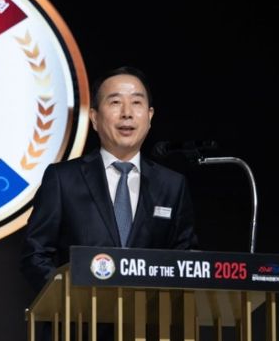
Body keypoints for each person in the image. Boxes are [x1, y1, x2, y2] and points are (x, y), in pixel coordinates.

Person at [20, 66, 198, 293]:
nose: (127, 113)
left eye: (136, 102)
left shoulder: (171, 185)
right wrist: (68, 298)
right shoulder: (63, 179)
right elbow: (35, 254)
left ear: (150, 116)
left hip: (149, 314)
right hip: (81, 313)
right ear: (94, 118)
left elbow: (186, 262)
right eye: (115, 102)